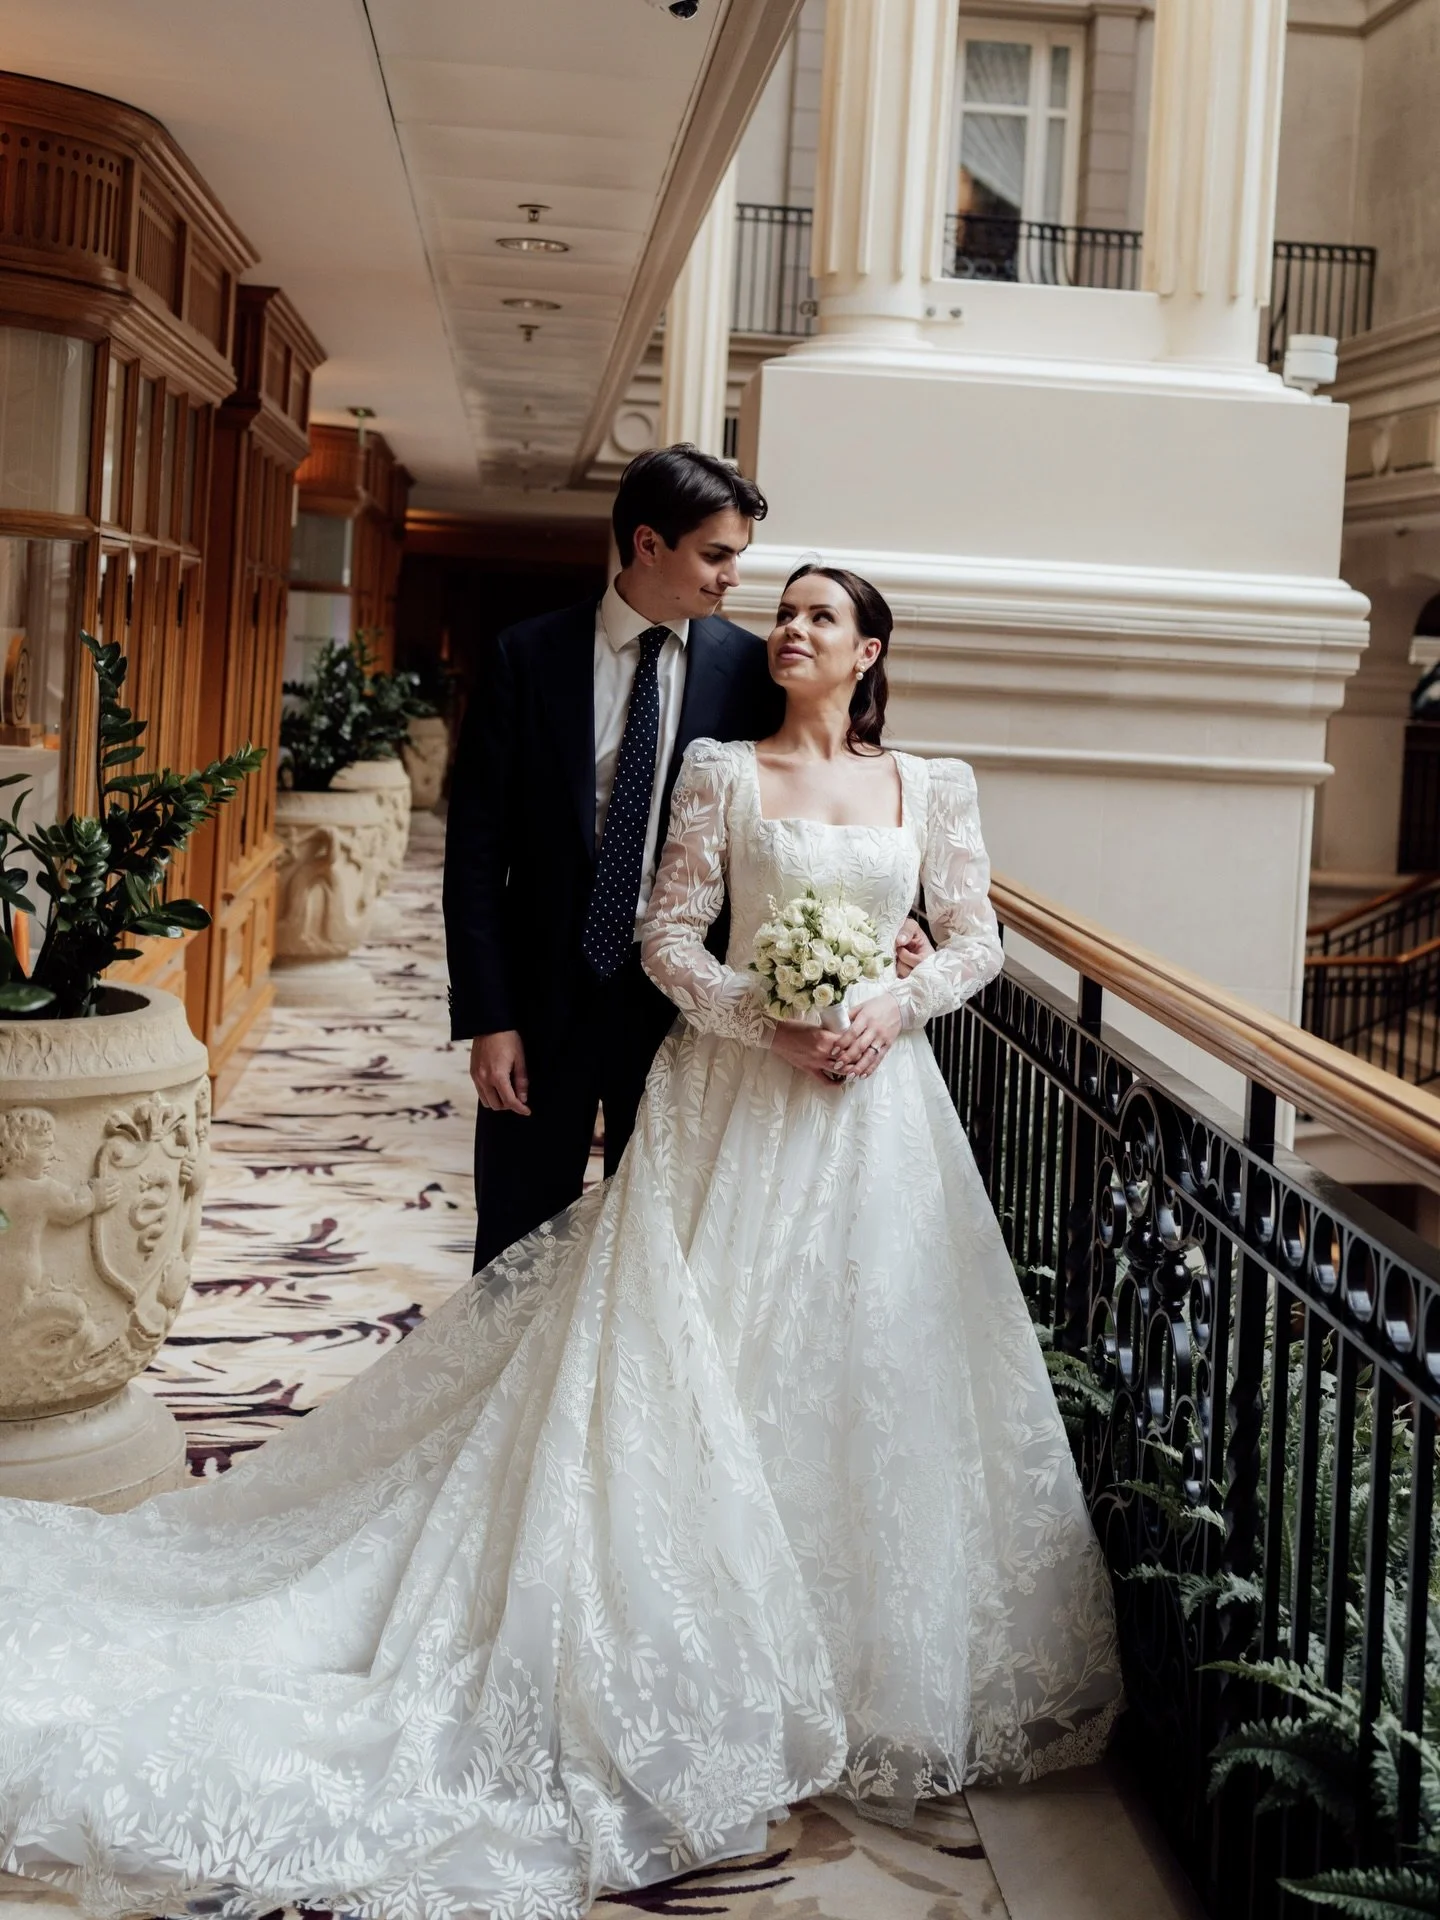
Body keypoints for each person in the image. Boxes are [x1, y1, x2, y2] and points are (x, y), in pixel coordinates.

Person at [0, 566, 1122, 1920]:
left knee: (866, 1370)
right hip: (737, 1106)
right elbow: (663, 935)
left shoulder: (932, 785)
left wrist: (893, 1002)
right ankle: (703, 1657)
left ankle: (846, 1664)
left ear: (871, 650)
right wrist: (764, 1018)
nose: (792, 629)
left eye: (823, 615)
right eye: (787, 610)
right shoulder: (721, 768)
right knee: (694, 1364)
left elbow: (976, 938)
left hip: (880, 1118)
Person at [443, 445, 927, 1268]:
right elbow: (476, 855)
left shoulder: (751, 668)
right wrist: (489, 1019)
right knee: (516, 1243)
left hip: (689, 1014)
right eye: (717, 554)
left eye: (738, 556)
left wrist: (892, 914)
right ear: (647, 544)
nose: (733, 578)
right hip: (543, 998)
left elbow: (815, 786)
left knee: (657, 1251)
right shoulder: (527, 657)